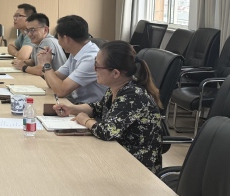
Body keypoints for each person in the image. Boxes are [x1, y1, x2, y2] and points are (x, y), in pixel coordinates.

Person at [53, 40, 163, 173]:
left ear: (115, 73)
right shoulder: (116, 88)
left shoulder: (133, 96)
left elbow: (107, 132)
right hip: (117, 152)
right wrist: (72, 109)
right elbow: (99, 108)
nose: (94, 69)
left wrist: (85, 120)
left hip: (136, 165)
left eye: (97, 66)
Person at [38, 15, 105, 103]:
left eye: (58, 38)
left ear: (66, 39)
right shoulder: (75, 53)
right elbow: (51, 83)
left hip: (91, 108)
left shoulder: (91, 59)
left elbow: (61, 91)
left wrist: (47, 64)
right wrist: (46, 65)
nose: (58, 42)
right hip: (76, 103)